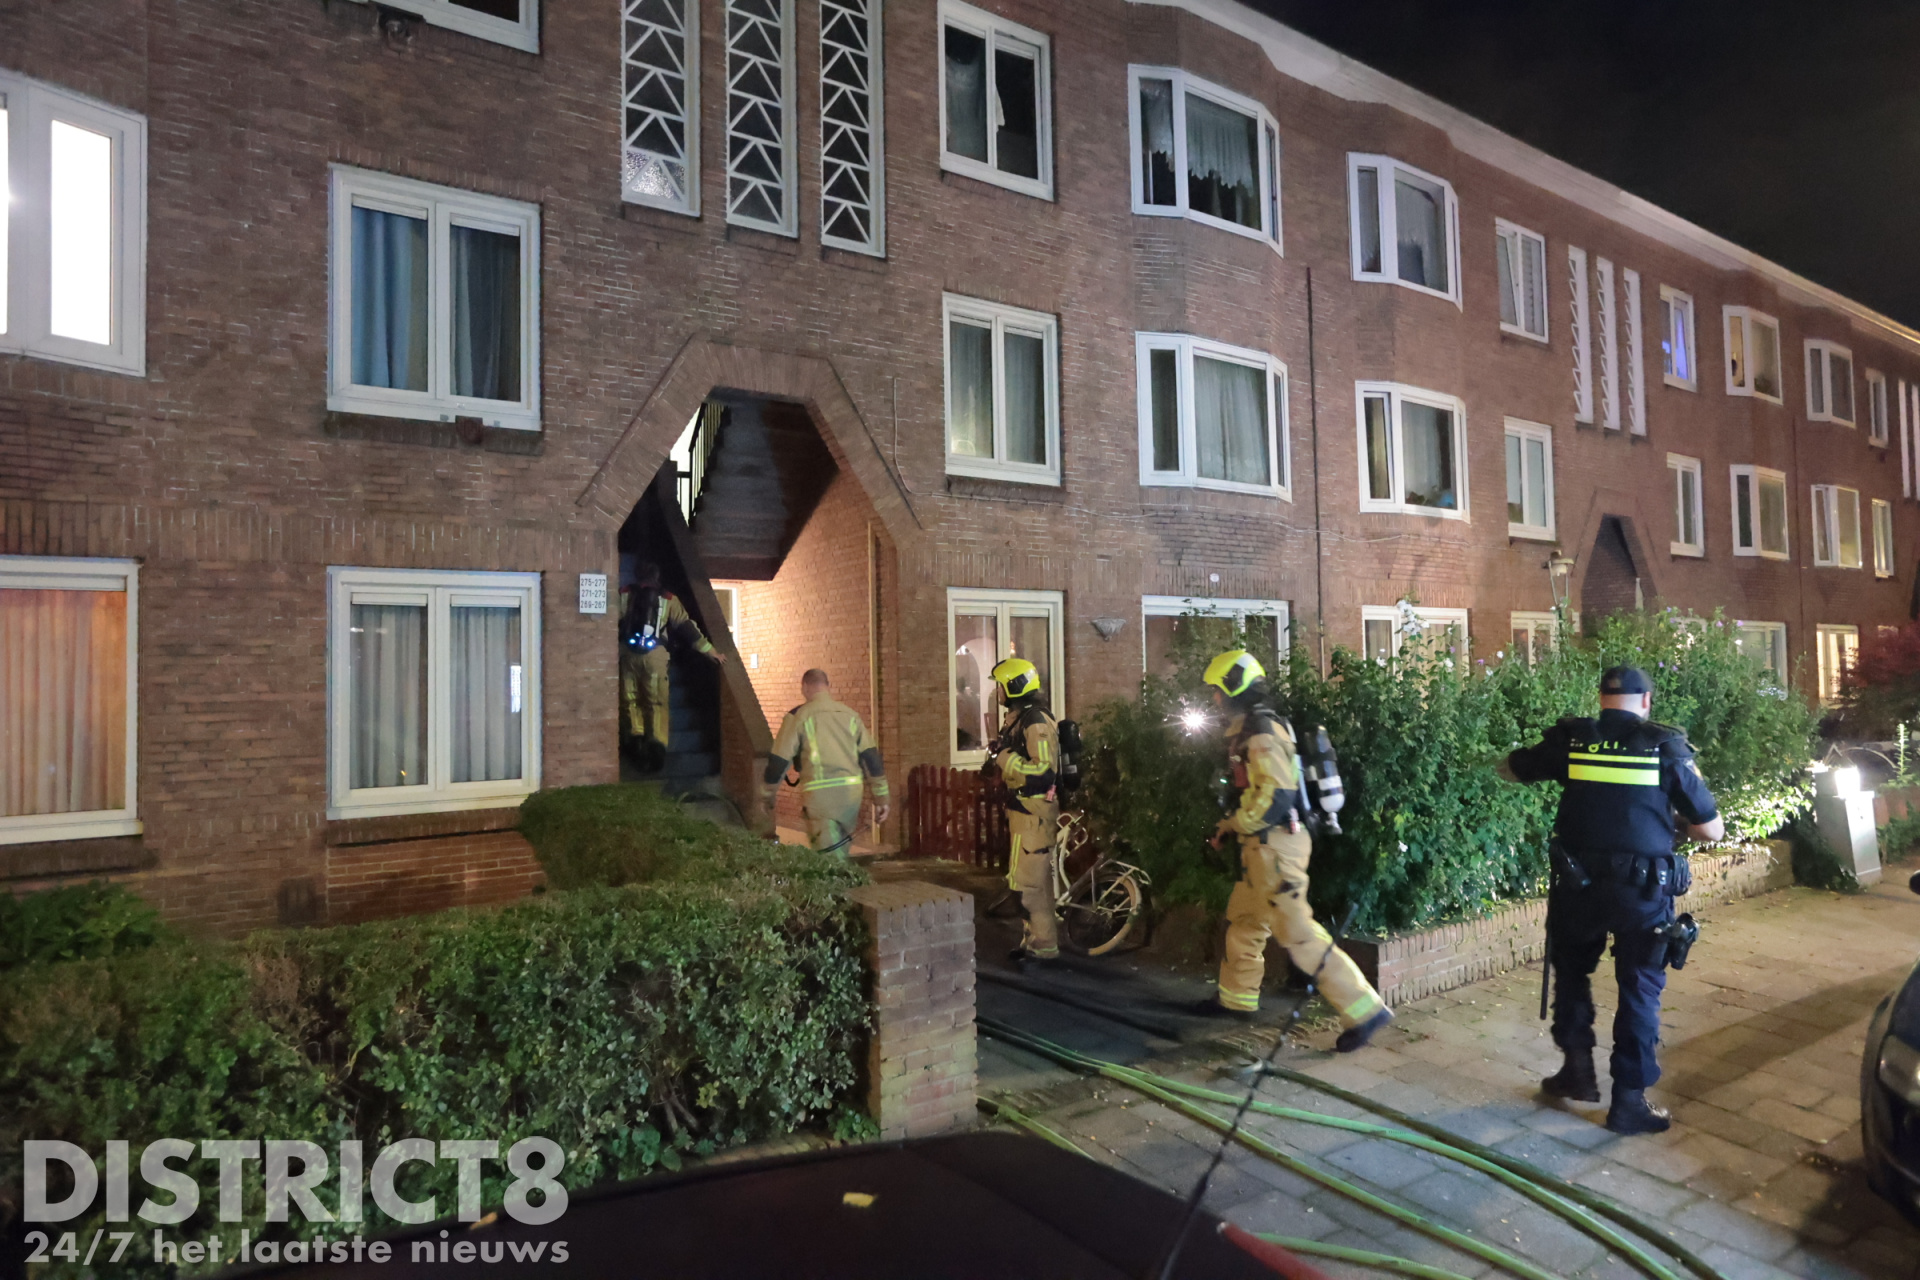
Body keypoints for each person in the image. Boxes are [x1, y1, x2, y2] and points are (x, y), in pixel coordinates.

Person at [1500, 665, 1723, 1134]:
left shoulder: (1573, 741)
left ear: (1601, 698)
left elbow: (1513, 769)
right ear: (1646, 702)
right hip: (1642, 892)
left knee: (1574, 972)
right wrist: (1666, 822)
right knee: (1639, 985)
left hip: (1577, 885)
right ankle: (1628, 1102)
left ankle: (1576, 1072)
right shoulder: (1665, 747)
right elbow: (1709, 828)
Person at [1195, 649, 1393, 1052]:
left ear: (1234, 686)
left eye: (1218, 690)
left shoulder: (1262, 731)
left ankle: (1366, 1010)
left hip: (1276, 847)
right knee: (1246, 919)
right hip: (1261, 847)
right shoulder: (1250, 727)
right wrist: (1231, 827)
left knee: (1298, 933)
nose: (1215, 699)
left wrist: (1235, 824)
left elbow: (1277, 797)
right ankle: (1237, 998)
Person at [764, 669, 890, 855]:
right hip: (851, 797)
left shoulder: (799, 716)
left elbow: (779, 761)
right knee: (841, 850)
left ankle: (841, 882)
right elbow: (871, 758)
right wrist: (882, 799)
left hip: (819, 798)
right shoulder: (850, 715)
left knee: (829, 857)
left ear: (805, 687)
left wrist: (766, 796)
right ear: (827, 687)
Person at [991, 657, 1062, 964]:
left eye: (1001, 687)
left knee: (1032, 885)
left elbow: (1043, 771)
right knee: (1025, 881)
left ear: (1014, 687)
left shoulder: (1035, 722)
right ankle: (1033, 942)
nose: (998, 693)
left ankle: (1043, 946)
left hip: (1034, 812)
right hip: (1023, 812)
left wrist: (1005, 758)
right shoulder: (1019, 718)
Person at [619, 562, 725, 766]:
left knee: (630, 699)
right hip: (656, 655)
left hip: (627, 654)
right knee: (656, 702)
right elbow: (686, 628)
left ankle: (635, 738)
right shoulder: (668, 598)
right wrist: (710, 652)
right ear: (658, 576)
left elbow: (610, 618)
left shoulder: (624, 593)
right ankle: (656, 747)